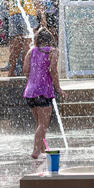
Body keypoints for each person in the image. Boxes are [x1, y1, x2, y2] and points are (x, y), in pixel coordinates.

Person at [23, 28, 66, 159]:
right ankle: (36, 151)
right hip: (43, 92)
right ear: (50, 39)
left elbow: (25, 70)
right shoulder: (53, 51)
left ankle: (41, 149)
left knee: (39, 124)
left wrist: (33, 80)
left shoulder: (31, 51)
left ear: (37, 39)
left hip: (30, 92)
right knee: (43, 124)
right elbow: (53, 70)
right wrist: (58, 88)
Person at [2, 0, 44, 77]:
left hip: (14, 16)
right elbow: (36, 3)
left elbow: (6, 3)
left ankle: (11, 72)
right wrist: (43, 18)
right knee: (27, 46)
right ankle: (25, 74)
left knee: (15, 47)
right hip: (28, 17)